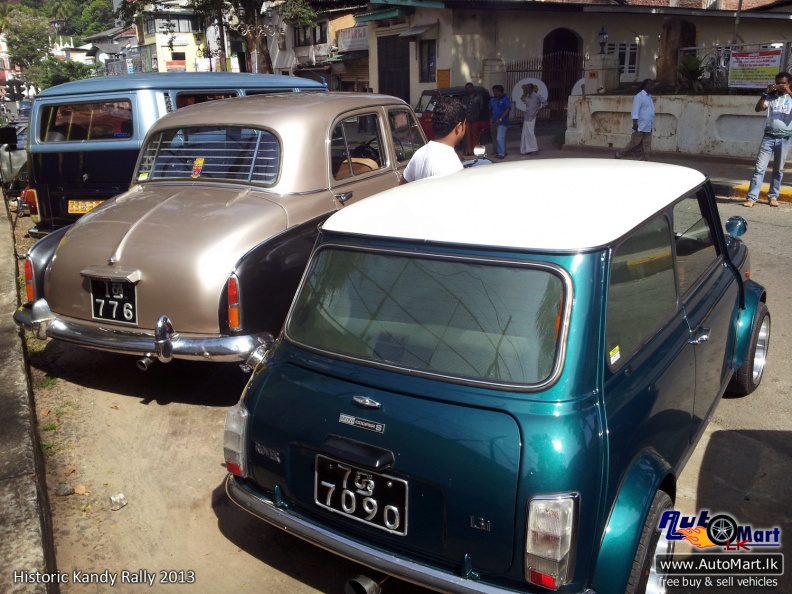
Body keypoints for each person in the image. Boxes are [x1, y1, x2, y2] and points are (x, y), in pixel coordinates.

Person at [743, 71, 792, 208]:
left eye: (783, 83)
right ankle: (752, 198)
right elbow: (758, 109)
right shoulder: (771, 98)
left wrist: (789, 92)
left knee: (778, 170)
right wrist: (765, 93)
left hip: (784, 139)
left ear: (789, 83)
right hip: (768, 138)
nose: (780, 85)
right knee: (759, 168)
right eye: (778, 83)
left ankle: (773, 196)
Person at [401, 97, 465, 183]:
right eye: (465, 123)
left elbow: (401, 187)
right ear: (459, 127)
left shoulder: (419, 154)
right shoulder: (451, 164)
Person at [615, 79, 655, 161]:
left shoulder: (649, 97)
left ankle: (644, 159)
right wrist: (635, 123)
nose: (652, 86)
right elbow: (635, 110)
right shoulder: (639, 96)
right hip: (640, 125)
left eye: (652, 85)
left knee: (646, 144)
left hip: (648, 125)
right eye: (650, 84)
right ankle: (619, 154)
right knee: (634, 143)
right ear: (645, 86)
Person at [520, 83, 547, 155]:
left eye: (527, 88)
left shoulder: (537, 96)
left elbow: (545, 103)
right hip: (526, 116)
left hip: (532, 116)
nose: (526, 90)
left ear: (531, 89)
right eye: (525, 88)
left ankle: (535, 149)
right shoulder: (527, 97)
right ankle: (527, 149)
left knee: (531, 133)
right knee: (525, 133)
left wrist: (539, 111)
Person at [462, 82, 484, 156]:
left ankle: (476, 151)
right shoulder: (464, 97)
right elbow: (463, 108)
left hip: (475, 119)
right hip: (467, 119)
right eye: (467, 88)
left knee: (475, 136)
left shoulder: (478, 97)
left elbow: (481, 108)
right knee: (467, 137)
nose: (469, 89)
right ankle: (469, 151)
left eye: (470, 88)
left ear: (473, 88)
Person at [489, 84, 510, 159]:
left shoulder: (505, 99)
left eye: (495, 91)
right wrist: (491, 118)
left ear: (500, 91)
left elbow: (507, 109)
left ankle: (501, 153)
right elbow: (491, 109)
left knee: (500, 137)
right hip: (495, 120)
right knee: (495, 137)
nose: (494, 93)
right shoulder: (493, 100)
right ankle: (498, 151)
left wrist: (501, 119)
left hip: (502, 121)